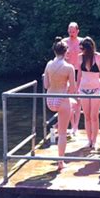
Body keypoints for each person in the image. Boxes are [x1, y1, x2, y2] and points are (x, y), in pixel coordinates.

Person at [43, 38, 76, 171]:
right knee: (62, 133)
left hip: (50, 99)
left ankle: (54, 126)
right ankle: (60, 162)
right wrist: (66, 85)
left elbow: (46, 85)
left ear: (55, 51)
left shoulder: (49, 64)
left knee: (72, 104)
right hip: (62, 99)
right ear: (66, 51)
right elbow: (72, 89)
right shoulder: (69, 67)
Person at [77, 36, 100, 148]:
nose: (81, 50)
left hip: (96, 89)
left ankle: (95, 140)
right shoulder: (80, 57)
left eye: (82, 48)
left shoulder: (98, 57)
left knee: (94, 115)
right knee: (87, 116)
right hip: (83, 89)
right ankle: (89, 140)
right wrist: (76, 89)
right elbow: (79, 74)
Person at [64, 22, 82, 133]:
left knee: (78, 99)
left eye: (73, 31)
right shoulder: (64, 43)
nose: (71, 33)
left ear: (77, 31)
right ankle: (71, 125)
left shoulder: (82, 42)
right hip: (68, 72)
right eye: (70, 31)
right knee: (69, 100)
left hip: (79, 71)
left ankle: (76, 125)